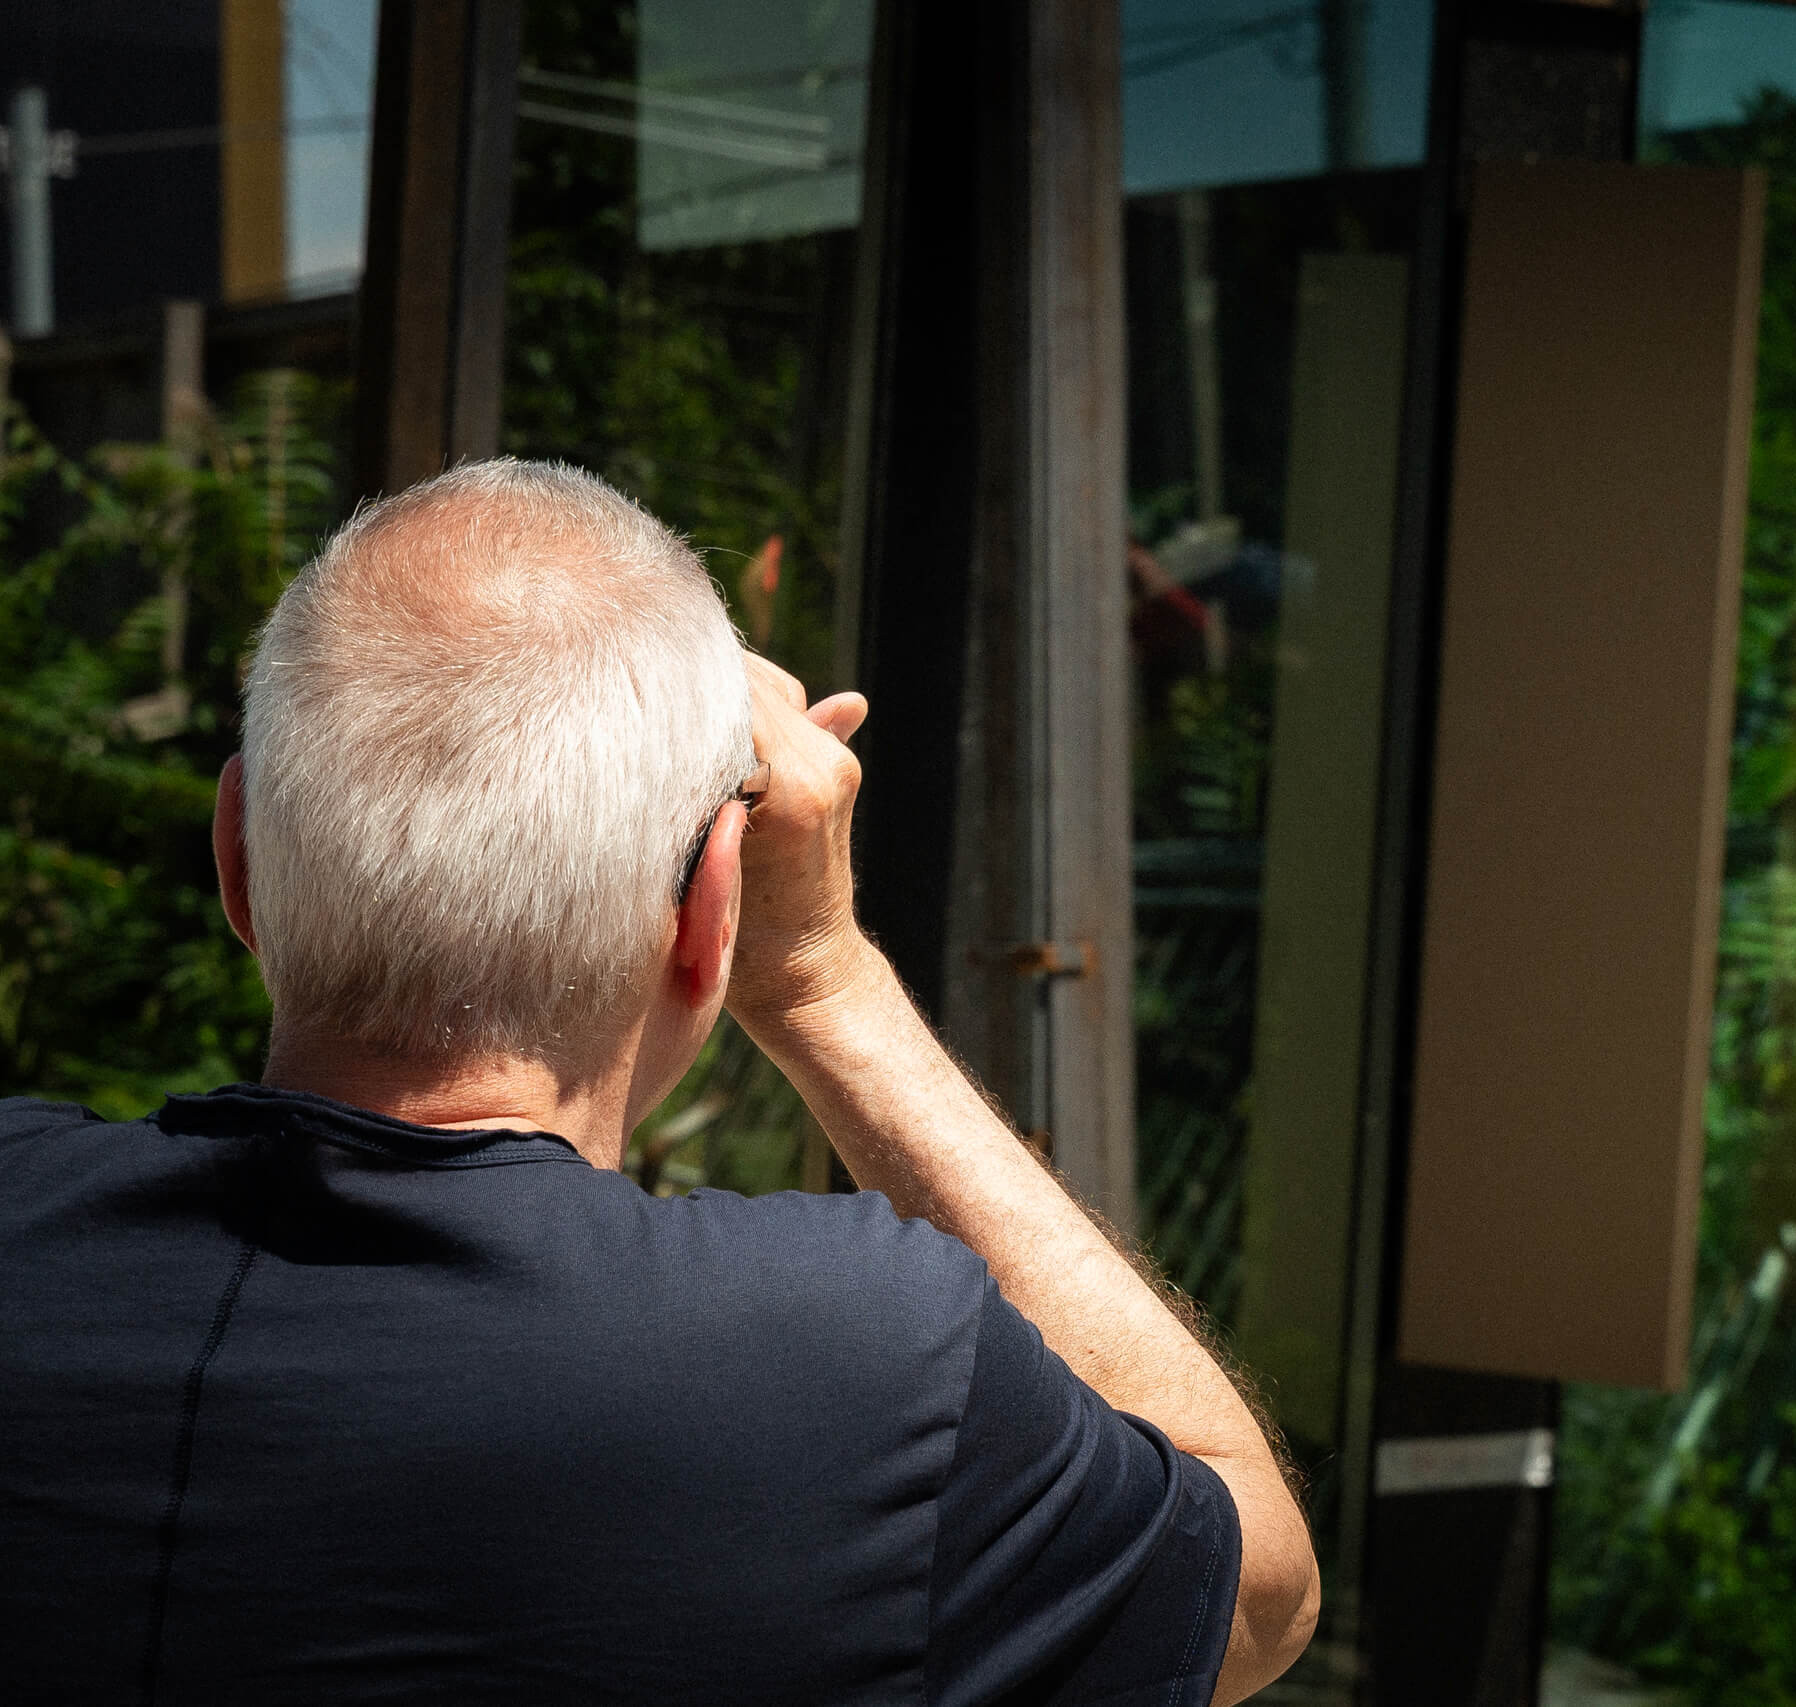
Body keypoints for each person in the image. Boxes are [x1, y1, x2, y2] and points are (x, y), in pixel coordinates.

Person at [0, 460, 1318, 1703]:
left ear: (238, 861)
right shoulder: (854, 1377)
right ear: (711, 911)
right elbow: (1260, 1592)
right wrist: (825, 983)